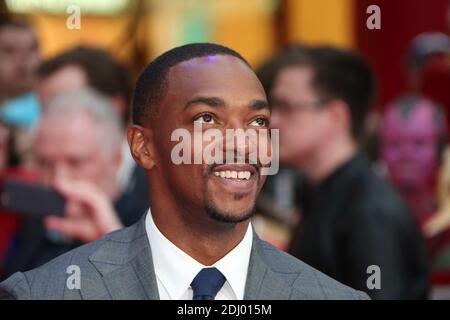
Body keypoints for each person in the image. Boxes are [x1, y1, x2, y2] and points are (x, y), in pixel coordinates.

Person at [0, 43, 368, 300]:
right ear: (144, 147)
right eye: (207, 119)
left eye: (257, 121)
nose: (241, 144)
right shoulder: (42, 293)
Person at [268, 46, 429, 299]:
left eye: (286, 107)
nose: (272, 120)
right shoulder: (325, 194)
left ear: (335, 116)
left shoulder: (370, 213)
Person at [3, 90, 141, 276]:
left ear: (115, 160)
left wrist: (113, 246)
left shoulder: (151, 224)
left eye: (76, 163)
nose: (59, 180)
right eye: (45, 163)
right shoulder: (33, 219)